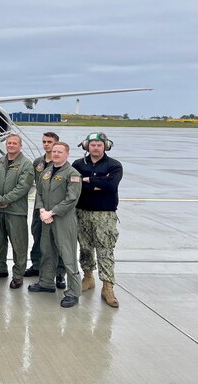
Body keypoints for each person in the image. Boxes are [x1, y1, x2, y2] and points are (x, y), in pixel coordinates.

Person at [73, 132, 123, 308]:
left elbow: (111, 185)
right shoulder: (78, 164)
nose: (95, 147)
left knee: (105, 249)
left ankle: (108, 287)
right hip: (82, 212)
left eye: (99, 145)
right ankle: (88, 277)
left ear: (105, 146)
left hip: (105, 214)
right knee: (85, 247)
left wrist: (88, 180)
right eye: (92, 144)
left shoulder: (114, 165)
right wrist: (98, 183)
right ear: (87, 146)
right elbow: (75, 184)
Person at [29, 142, 82, 308]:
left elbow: (72, 199)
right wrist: (43, 210)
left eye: (60, 152)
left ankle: (74, 292)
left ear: (67, 154)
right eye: (54, 151)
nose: (56, 154)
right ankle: (46, 282)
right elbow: (39, 192)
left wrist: (52, 213)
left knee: (67, 254)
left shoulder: (72, 174)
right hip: (46, 218)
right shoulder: (46, 171)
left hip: (63, 219)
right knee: (47, 251)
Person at [0, 134, 34, 289]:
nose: (11, 145)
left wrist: (4, 200)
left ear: (20, 146)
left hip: (16, 211)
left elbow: (23, 187)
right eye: (9, 143)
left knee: (18, 244)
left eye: (14, 143)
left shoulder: (26, 165)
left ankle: (18, 275)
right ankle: (0, 268)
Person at [25, 132, 67, 289]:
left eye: (50, 142)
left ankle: (60, 273)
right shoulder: (38, 163)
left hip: (55, 209)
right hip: (40, 206)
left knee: (58, 241)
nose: (46, 144)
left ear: (56, 143)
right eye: (44, 141)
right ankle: (36, 265)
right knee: (37, 234)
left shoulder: (60, 163)